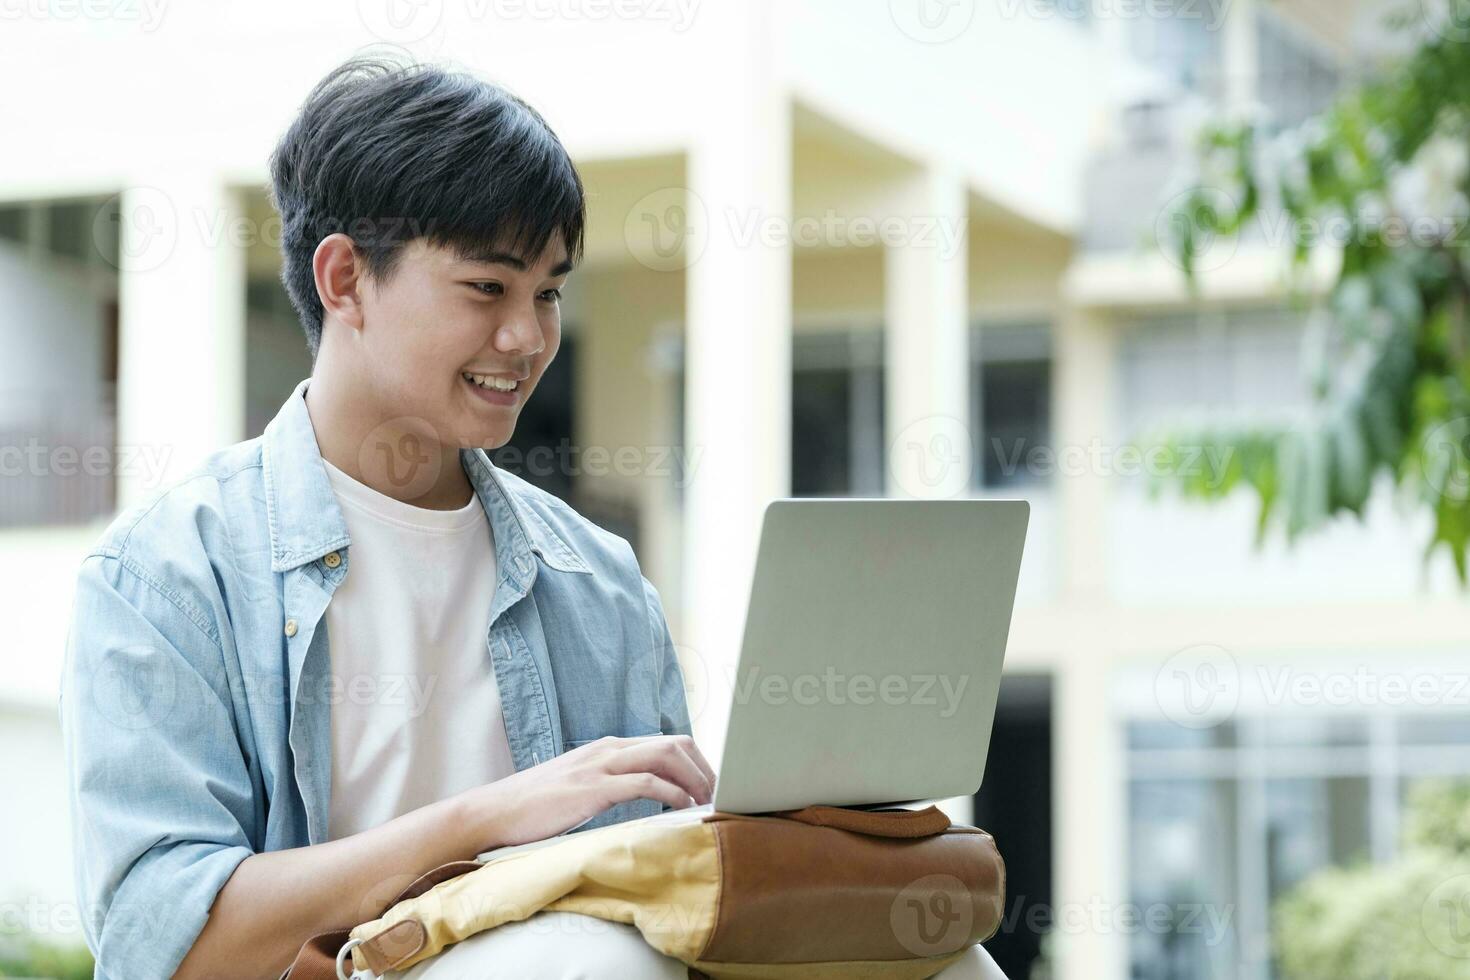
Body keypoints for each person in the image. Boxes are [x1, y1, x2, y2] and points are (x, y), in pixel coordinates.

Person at [59, 56, 715, 980]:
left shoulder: (598, 580)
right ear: (345, 280)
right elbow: (163, 944)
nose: (527, 338)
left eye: (550, 292)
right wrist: (484, 818)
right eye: (488, 288)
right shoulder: (167, 573)